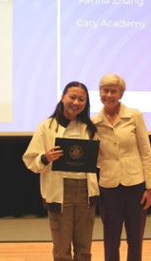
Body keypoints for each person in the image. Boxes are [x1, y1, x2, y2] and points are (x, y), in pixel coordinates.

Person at [23, 81, 99, 261]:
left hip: (85, 191)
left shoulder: (90, 128)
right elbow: (30, 159)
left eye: (81, 99)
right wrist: (45, 158)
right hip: (59, 191)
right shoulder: (47, 126)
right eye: (72, 97)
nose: (76, 102)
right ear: (63, 97)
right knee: (61, 250)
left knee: (84, 249)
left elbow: (99, 158)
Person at [92, 73, 151, 261]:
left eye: (114, 91)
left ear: (121, 94)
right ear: (100, 93)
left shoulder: (134, 116)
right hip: (109, 187)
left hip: (135, 185)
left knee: (135, 238)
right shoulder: (94, 123)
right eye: (105, 90)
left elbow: (146, 152)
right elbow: (95, 157)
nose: (109, 95)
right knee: (111, 238)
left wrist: (150, 187)